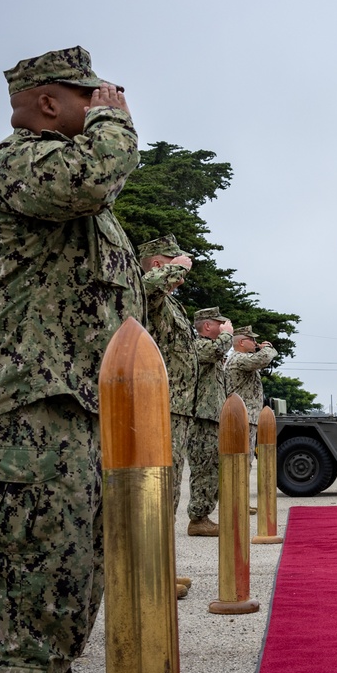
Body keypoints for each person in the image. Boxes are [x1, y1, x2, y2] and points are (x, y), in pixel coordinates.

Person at [0, 45, 145, 673]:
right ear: (47, 103)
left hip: (73, 405)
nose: (104, 103)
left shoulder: (61, 179)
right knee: (40, 563)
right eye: (88, 95)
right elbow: (94, 177)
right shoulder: (20, 163)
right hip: (26, 407)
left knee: (76, 565)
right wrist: (116, 124)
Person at [140, 235, 198, 596]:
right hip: (161, 406)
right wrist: (175, 267)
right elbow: (142, 288)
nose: (182, 276)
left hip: (177, 408)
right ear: (159, 265)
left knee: (170, 492)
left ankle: (161, 568)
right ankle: (151, 575)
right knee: (157, 492)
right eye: (174, 267)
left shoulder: (169, 302)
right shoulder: (146, 289)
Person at [186, 307, 233, 535]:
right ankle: (198, 518)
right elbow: (215, 351)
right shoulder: (200, 346)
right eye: (219, 324)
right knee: (203, 469)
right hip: (202, 419)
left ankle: (203, 515)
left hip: (212, 417)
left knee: (212, 469)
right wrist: (227, 335)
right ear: (207, 326)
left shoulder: (211, 348)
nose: (223, 327)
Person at [224, 327, 279, 455]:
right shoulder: (239, 359)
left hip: (244, 417)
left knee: (243, 460)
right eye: (252, 339)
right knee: (242, 459)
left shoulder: (239, 359)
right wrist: (267, 347)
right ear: (241, 342)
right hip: (243, 418)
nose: (255, 343)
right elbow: (264, 358)